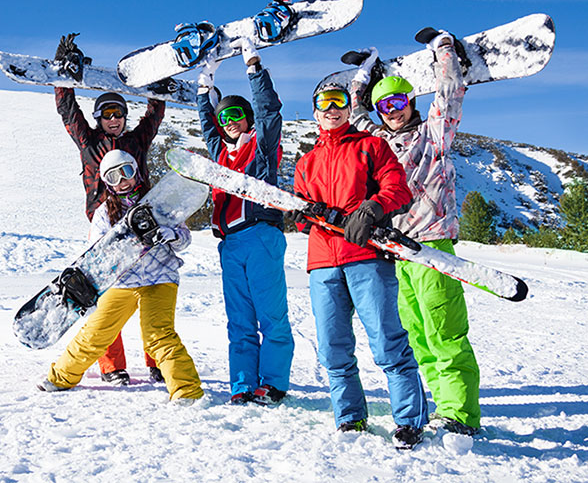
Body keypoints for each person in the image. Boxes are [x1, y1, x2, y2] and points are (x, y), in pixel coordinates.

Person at [349, 32, 481, 436]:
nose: (392, 111)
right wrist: (363, 72)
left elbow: (450, 91)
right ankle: (440, 404)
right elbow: (355, 114)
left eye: (399, 102)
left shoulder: (433, 135)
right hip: (394, 250)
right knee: (416, 336)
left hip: (432, 244)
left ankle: (460, 414)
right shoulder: (378, 142)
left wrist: (443, 48)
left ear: (411, 103)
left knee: (444, 331)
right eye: (385, 105)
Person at [293, 83, 428, 449]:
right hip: (322, 262)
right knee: (333, 347)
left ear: (348, 108)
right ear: (315, 110)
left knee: (387, 342)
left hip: (366, 257)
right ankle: (349, 417)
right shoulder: (306, 162)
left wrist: (373, 208)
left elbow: (398, 188)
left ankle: (409, 420)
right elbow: (303, 217)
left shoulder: (371, 146)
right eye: (325, 103)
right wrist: (302, 216)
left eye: (339, 102)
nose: (332, 109)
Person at [38, 150, 204, 403]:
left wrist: (170, 235)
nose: (122, 180)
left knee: (158, 334)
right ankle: (61, 377)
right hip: (124, 280)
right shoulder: (104, 213)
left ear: (135, 171)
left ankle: (187, 392)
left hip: (160, 277)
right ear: (107, 183)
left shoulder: (159, 202)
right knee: (96, 332)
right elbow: (99, 252)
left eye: (126, 171)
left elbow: (184, 239)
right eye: (114, 177)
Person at [53, 33, 166, 385]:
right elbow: (67, 111)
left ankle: (156, 359)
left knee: (151, 288)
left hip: (140, 222)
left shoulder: (136, 141)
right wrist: (64, 77)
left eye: (119, 113)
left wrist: (156, 82)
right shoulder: (89, 142)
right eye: (107, 113)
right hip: (103, 225)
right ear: (99, 117)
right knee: (103, 294)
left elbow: (155, 113)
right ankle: (112, 365)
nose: (114, 119)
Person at [196, 41, 294, 406]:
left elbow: (270, 111)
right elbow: (207, 124)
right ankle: (242, 385)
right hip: (230, 244)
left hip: (261, 237)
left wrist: (253, 67)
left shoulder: (262, 145)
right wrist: (204, 88)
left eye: (236, 114)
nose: (230, 121)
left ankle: (272, 383)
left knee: (270, 316)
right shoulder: (220, 154)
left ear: (247, 118)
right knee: (239, 322)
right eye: (225, 118)